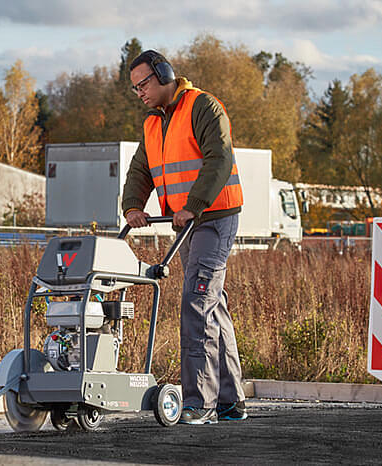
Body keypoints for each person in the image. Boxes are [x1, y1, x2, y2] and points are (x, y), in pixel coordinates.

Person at [122, 50, 247, 425]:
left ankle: (199, 403)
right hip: (186, 224)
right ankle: (231, 401)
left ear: (164, 74)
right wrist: (132, 207)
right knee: (211, 305)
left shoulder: (202, 106)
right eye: (135, 88)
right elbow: (140, 170)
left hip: (214, 217)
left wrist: (194, 204)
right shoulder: (152, 123)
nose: (139, 92)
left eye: (143, 83)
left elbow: (219, 159)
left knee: (196, 301)